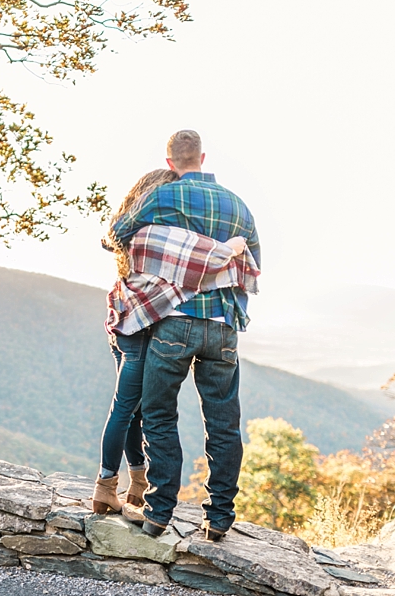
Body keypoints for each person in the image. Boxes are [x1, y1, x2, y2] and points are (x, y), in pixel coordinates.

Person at [111, 130, 261, 542]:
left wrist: (171, 251)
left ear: (170, 161)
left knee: (159, 416)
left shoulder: (161, 197)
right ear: (203, 157)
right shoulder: (238, 206)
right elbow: (252, 265)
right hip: (224, 326)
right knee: (224, 424)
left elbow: (117, 233)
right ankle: (219, 519)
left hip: (174, 320)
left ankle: (159, 514)